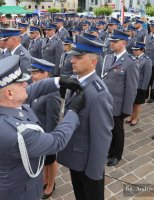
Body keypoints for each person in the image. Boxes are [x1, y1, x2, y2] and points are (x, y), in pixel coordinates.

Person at [0, 55, 85, 200]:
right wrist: (73, 112)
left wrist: (58, 81)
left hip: (4, 181)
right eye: (21, 83)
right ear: (9, 93)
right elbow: (57, 141)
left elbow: (30, 91)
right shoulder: (17, 134)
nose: (26, 84)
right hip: (22, 191)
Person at [58, 35, 113, 200]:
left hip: (87, 165)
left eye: (78, 57)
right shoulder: (75, 81)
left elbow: (102, 137)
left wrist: (94, 172)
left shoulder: (98, 94)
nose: (72, 60)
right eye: (73, 56)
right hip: (76, 159)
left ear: (93, 62)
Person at [101, 30, 139, 167]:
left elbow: (131, 89)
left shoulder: (130, 62)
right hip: (105, 101)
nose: (112, 43)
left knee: (117, 130)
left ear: (124, 43)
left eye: (115, 41)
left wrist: (127, 109)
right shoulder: (109, 57)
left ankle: (117, 154)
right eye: (111, 41)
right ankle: (109, 150)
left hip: (117, 103)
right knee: (107, 128)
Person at [29, 58, 61, 199]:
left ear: (45, 74)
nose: (32, 76)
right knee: (44, 160)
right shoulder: (35, 87)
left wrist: (49, 140)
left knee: (50, 159)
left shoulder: (52, 92)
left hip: (46, 135)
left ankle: (51, 184)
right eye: (32, 72)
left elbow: (53, 118)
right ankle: (46, 178)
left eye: (35, 73)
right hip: (36, 134)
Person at [126, 42, 152, 126]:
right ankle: (131, 115)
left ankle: (136, 117)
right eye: (133, 50)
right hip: (131, 85)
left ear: (141, 50)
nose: (134, 51)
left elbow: (147, 76)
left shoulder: (147, 60)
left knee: (137, 103)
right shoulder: (132, 58)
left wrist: (143, 88)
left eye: (136, 50)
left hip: (139, 86)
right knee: (131, 102)